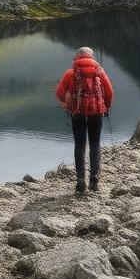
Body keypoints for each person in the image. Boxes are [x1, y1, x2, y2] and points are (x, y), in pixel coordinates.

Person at [55, 46, 114, 195]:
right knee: (95, 143)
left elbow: (59, 92)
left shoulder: (71, 73)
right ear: (92, 57)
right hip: (97, 111)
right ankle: (94, 180)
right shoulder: (100, 72)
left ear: (77, 58)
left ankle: (80, 180)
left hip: (77, 111)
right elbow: (109, 92)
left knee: (79, 144)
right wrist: (106, 107)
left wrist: (65, 102)